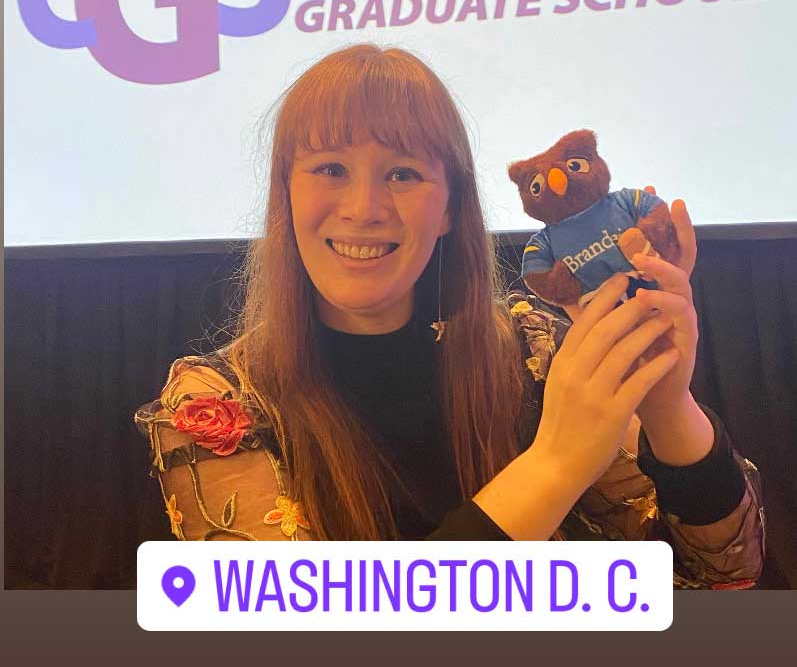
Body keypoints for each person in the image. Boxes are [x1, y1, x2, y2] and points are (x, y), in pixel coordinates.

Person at [135, 44, 764, 586]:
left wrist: (667, 407)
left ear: (449, 211)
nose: (363, 207)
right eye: (330, 168)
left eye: (403, 174)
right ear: (287, 194)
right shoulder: (215, 403)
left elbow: (718, 576)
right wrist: (555, 464)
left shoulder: (532, 349)